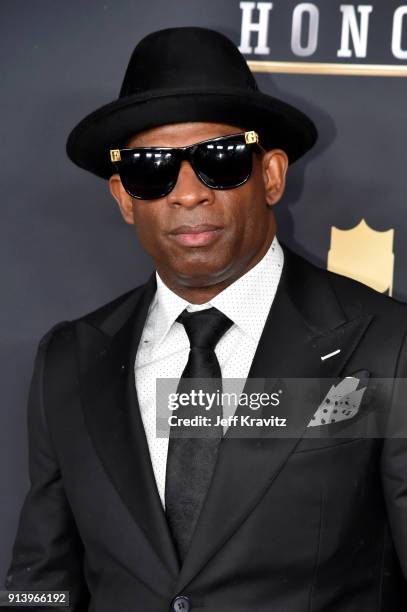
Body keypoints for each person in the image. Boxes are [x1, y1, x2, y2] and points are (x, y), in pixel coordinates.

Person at [5, 26, 407, 612]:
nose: (187, 193)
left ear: (270, 175)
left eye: (219, 160)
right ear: (124, 197)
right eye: (152, 169)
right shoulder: (68, 362)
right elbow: (40, 581)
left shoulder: (386, 347)